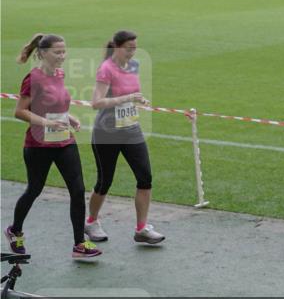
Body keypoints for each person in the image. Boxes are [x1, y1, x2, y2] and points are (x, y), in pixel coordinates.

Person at [5, 34, 102, 260]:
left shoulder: (59, 74)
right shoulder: (33, 78)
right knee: (34, 189)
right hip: (38, 144)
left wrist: (69, 117)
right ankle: (15, 230)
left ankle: (79, 244)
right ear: (43, 53)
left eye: (64, 51)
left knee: (77, 190)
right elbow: (20, 111)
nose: (62, 56)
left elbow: (55, 104)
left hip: (64, 140)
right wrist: (47, 123)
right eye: (57, 52)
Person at [84, 30, 165, 245]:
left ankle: (141, 229)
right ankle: (91, 221)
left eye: (135, 48)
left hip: (131, 129)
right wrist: (126, 98)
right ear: (118, 47)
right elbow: (96, 103)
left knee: (145, 177)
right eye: (129, 48)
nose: (133, 51)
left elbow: (131, 92)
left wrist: (138, 100)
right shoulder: (106, 69)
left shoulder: (134, 65)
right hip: (107, 132)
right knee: (104, 181)